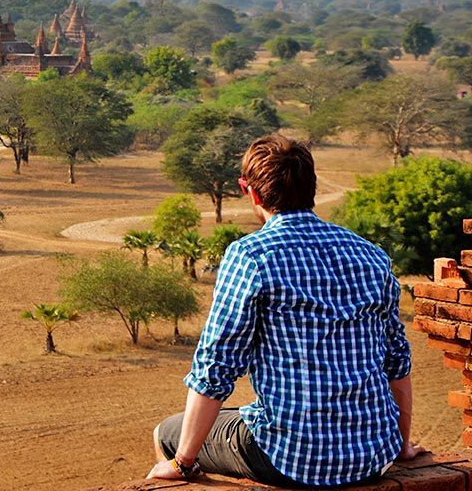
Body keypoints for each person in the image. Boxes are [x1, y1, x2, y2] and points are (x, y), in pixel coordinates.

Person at [147, 134, 421, 485]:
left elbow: (214, 368)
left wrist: (182, 462)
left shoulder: (251, 256)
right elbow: (397, 360)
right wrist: (400, 445)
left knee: (167, 432)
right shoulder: (370, 254)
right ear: (312, 188)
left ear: (252, 192)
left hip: (293, 458)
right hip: (372, 454)